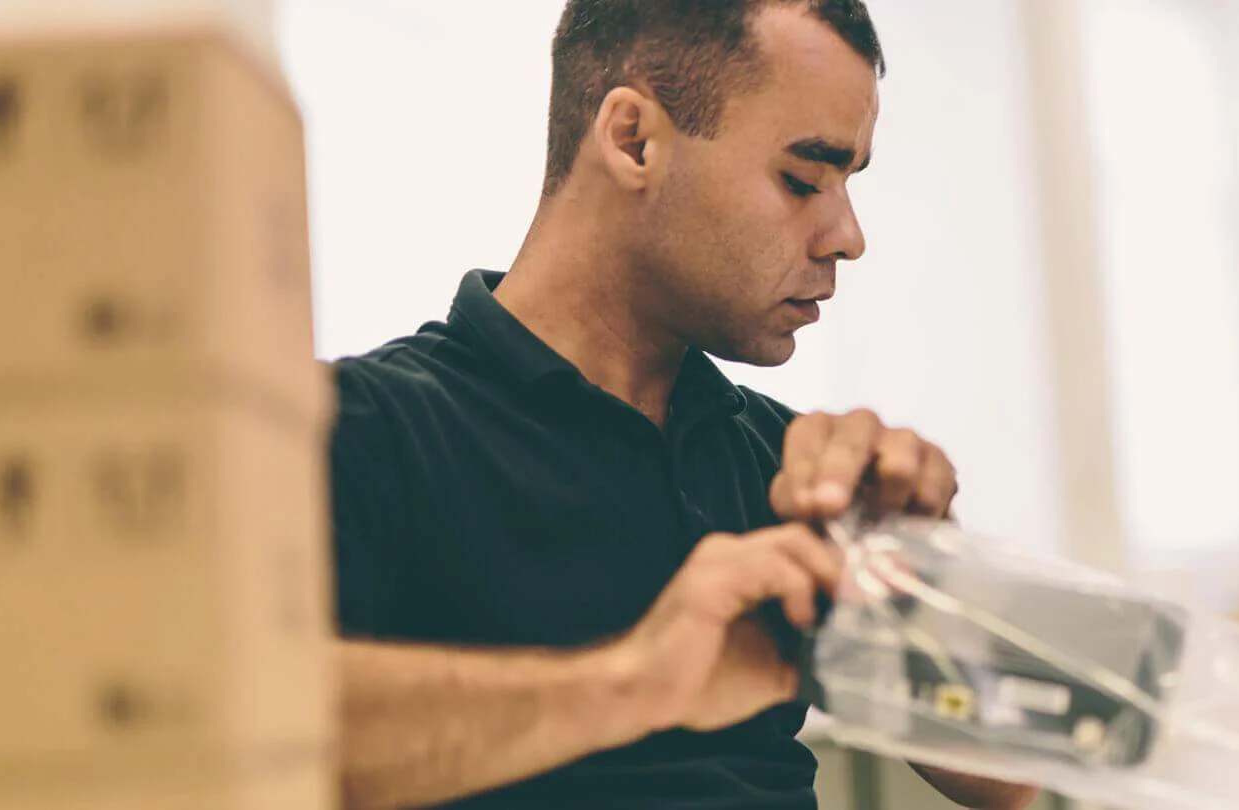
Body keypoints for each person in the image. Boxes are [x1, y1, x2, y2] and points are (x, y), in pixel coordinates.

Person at [324, 1, 1043, 808]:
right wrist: (634, 682)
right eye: (803, 179)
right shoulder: (361, 428)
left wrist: (927, 577)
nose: (848, 236)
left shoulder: (786, 468)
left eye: (848, 184)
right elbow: (233, 743)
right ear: (633, 140)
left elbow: (1012, 778)